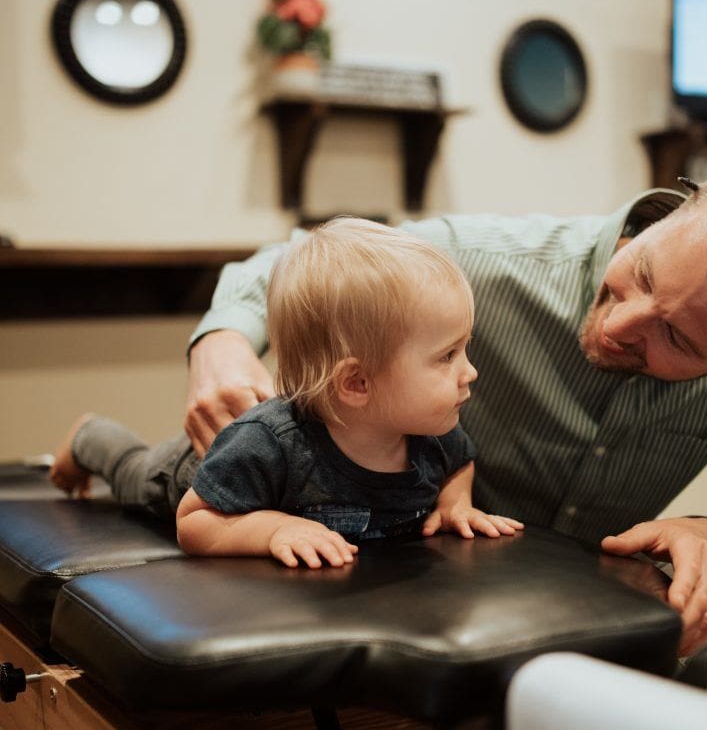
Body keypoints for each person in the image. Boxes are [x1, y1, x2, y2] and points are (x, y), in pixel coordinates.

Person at [154, 159, 707, 654]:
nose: (619, 325)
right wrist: (222, 340)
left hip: (582, 610)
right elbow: (297, 260)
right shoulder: (483, 260)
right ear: (678, 212)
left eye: (675, 338)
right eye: (643, 272)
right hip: (422, 587)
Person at [50, 219, 522, 568]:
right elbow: (195, 522)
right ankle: (91, 436)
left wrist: (454, 504)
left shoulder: (433, 431)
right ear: (356, 383)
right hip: (202, 473)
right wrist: (275, 527)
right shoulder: (266, 443)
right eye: (447, 356)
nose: (470, 371)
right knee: (134, 473)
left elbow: (460, 463)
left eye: (464, 349)